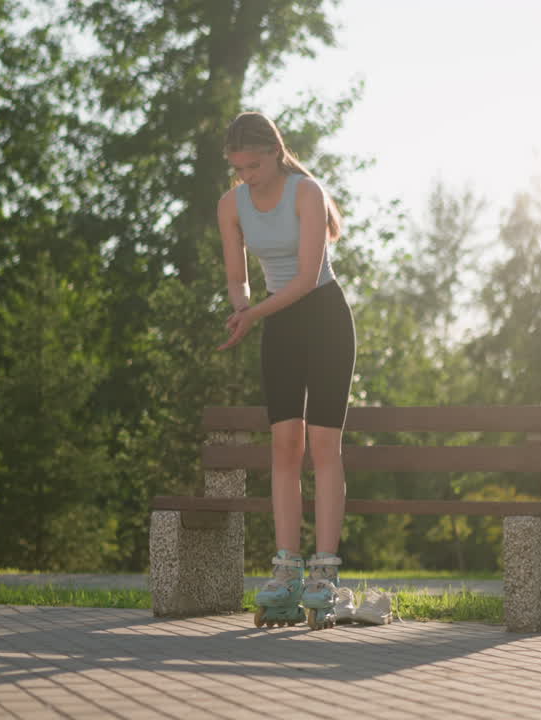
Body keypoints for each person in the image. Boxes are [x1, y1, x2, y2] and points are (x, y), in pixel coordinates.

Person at [216, 111, 356, 630]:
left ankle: (324, 574)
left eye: (253, 165)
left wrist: (254, 315)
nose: (247, 176)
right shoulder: (230, 205)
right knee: (283, 446)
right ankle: (286, 572)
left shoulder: (307, 192)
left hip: (323, 319)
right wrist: (240, 307)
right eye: (239, 168)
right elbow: (239, 278)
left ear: (274, 153)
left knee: (323, 447)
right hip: (277, 326)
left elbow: (303, 279)